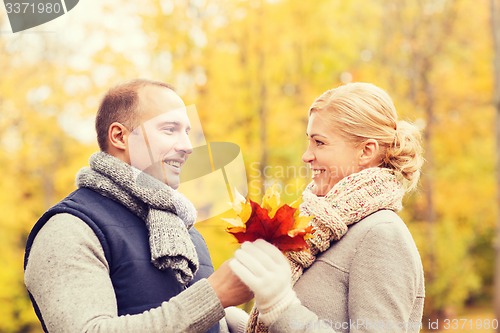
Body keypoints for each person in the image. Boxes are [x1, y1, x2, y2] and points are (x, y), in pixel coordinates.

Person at [24, 79, 253, 332]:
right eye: (169, 129)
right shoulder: (69, 228)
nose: (188, 147)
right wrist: (213, 297)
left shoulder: (183, 229)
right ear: (120, 136)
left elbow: (175, 306)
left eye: (187, 132)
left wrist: (243, 321)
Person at [230, 82, 425, 333]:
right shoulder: (320, 231)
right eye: (309, 142)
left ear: (366, 151)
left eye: (319, 143)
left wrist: (280, 306)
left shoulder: (382, 235)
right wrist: (228, 321)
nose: (306, 155)